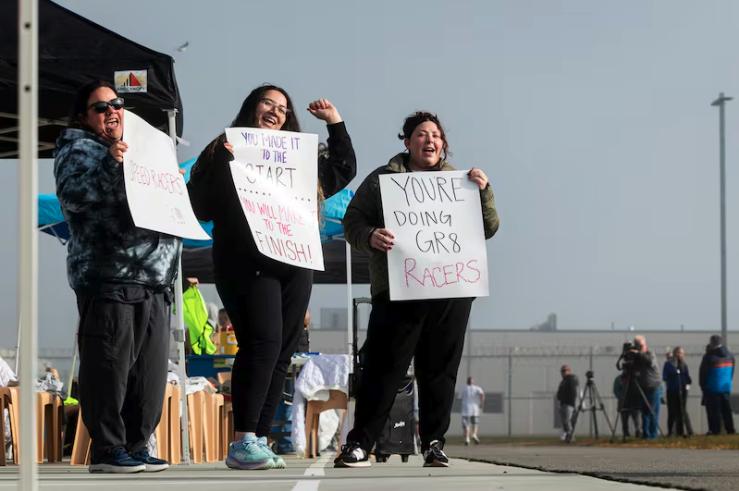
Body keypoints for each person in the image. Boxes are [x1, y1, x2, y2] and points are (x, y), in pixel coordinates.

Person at [187, 84, 356, 470]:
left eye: (282, 108)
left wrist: (335, 123)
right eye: (268, 103)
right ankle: (242, 438)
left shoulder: (299, 157)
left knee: (282, 349)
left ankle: (259, 438)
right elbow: (200, 204)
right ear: (251, 106)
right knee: (262, 341)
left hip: (295, 260)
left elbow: (343, 169)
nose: (275, 112)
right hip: (247, 260)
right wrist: (221, 166)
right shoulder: (224, 148)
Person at [334, 111, 499, 468]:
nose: (430, 141)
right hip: (398, 292)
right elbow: (352, 222)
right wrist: (370, 236)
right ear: (407, 142)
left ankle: (434, 443)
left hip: (451, 291)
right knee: (382, 368)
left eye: (436, 135)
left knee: (440, 371)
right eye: (422, 134)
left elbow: (489, 228)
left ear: (443, 144)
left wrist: (484, 192)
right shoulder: (383, 180)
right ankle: (360, 443)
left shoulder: (463, 182)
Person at [54, 80, 179, 473]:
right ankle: (108, 449)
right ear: (83, 117)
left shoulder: (145, 150)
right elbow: (74, 195)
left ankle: (136, 444)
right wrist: (111, 161)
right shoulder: (79, 149)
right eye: (100, 107)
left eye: (117, 104)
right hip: (110, 277)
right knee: (108, 366)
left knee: (150, 374)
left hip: (155, 281)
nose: (112, 111)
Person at [699, 335, 735, 435]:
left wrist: (703, 386)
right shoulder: (730, 356)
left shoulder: (709, 357)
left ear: (711, 343)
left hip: (712, 387)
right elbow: (732, 372)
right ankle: (730, 429)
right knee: (726, 410)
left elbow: (703, 374)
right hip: (725, 387)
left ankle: (715, 430)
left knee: (714, 411)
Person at [631, 335, 662, 439]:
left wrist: (638, 353)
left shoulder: (650, 354)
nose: (638, 348)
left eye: (640, 345)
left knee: (651, 411)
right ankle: (646, 434)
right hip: (643, 386)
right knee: (644, 411)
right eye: (636, 345)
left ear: (645, 345)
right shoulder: (638, 357)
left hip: (652, 386)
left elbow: (649, 361)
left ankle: (652, 435)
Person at [663, 346, 693, 437]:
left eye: (681, 353)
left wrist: (687, 385)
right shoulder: (669, 364)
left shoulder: (684, 365)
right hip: (672, 390)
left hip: (683, 390)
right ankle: (671, 432)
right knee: (672, 411)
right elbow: (665, 377)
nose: (679, 355)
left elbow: (687, 378)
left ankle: (686, 431)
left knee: (682, 411)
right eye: (678, 353)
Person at [613, 373, 641, 438]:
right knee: (624, 419)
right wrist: (622, 397)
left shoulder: (636, 378)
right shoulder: (619, 379)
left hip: (634, 401)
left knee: (636, 418)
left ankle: (638, 431)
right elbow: (616, 390)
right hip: (623, 402)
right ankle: (625, 433)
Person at [556, 365, 578, 441]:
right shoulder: (563, 381)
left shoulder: (571, 379)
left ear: (569, 371)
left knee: (568, 420)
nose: (564, 372)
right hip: (563, 403)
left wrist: (572, 403)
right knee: (564, 421)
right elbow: (559, 392)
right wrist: (559, 398)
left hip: (569, 403)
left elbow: (573, 392)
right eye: (563, 371)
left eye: (566, 370)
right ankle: (568, 435)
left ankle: (570, 436)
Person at [461, 377, 485, 445]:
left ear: (467, 382)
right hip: (475, 409)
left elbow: (459, 397)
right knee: (475, 423)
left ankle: (467, 439)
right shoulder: (477, 388)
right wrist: (481, 403)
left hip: (466, 410)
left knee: (466, 425)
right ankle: (474, 434)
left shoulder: (464, 388)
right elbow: (482, 394)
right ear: (473, 382)